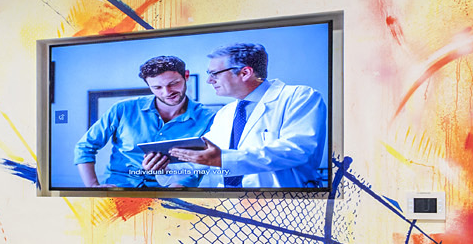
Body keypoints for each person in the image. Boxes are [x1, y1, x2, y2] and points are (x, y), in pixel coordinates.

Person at [167, 42, 328, 189]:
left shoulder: (299, 97)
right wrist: (167, 166)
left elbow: (298, 150)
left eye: (214, 73)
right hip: (228, 205)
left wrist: (223, 159)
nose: (209, 80)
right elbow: (205, 157)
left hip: (283, 205)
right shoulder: (226, 113)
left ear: (245, 73)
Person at [73, 55, 216, 189]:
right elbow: (85, 146)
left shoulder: (209, 118)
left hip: (173, 193)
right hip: (118, 190)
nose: (167, 92)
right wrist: (93, 187)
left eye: (173, 84)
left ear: (186, 76)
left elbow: (202, 163)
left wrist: (176, 192)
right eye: (157, 87)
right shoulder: (123, 109)